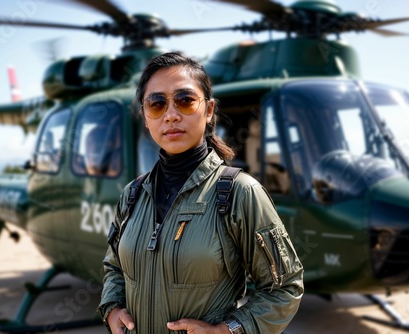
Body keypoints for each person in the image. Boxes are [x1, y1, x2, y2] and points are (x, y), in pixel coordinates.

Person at [98, 51, 304, 334]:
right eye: (157, 104)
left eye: (185, 100)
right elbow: (114, 266)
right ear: (145, 117)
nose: (171, 115)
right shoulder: (132, 195)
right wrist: (112, 307)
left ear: (208, 110)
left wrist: (229, 330)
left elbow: (284, 287)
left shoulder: (239, 192)